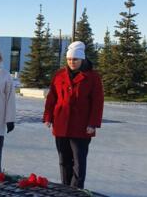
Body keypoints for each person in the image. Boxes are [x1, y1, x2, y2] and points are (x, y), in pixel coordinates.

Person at [43, 41, 103, 189]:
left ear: (82, 59)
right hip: (61, 124)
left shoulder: (92, 77)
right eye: (69, 59)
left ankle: (75, 190)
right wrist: (48, 116)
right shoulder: (59, 75)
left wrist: (92, 123)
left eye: (75, 59)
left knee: (78, 161)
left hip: (81, 126)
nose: (72, 62)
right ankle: (65, 188)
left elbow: (97, 102)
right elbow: (52, 97)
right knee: (64, 160)